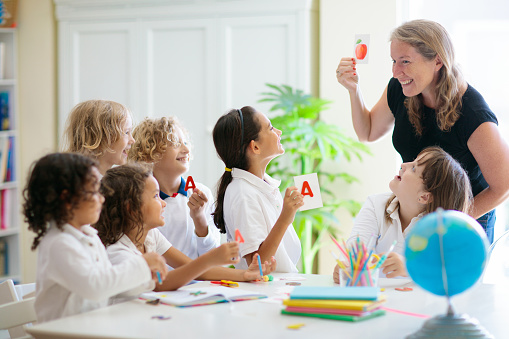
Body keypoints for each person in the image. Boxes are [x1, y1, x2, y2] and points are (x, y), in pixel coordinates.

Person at [335, 19, 509, 243]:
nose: (396, 71)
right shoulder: (399, 88)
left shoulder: (473, 114)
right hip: (420, 213)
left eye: (405, 61)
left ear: (437, 61)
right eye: (394, 61)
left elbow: (503, 186)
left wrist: (448, 221)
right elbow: (367, 132)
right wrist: (353, 90)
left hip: (466, 216)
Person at [22, 153, 168, 323]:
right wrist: (142, 264)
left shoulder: (90, 237)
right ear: (67, 199)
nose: (101, 198)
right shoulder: (59, 243)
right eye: (93, 192)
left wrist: (146, 278)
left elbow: (109, 286)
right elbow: (95, 286)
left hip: (89, 328)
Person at [95, 163, 276, 296]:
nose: (163, 203)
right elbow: (160, 284)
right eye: (155, 196)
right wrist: (210, 259)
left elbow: (193, 269)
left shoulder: (151, 236)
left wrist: (245, 274)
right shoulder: (117, 252)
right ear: (131, 208)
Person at [333, 146, 472, 283]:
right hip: (376, 299)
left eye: (413, 168)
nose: (403, 164)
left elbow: (454, 276)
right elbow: (355, 251)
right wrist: (346, 267)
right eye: (412, 161)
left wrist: (410, 268)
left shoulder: (440, 229)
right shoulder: (376, 204)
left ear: (424, 197)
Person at [213, 106, 304, 273]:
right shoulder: (242, 194)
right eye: (270, 128)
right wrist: (285, 218)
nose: (279, 131)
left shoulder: (262, 186)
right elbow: (257, 265)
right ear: (255, 147)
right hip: (266, 292)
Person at [128, 116, 220, 259]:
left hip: (199, 281)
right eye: (176, 143)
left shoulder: (202, 194)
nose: (186, 149)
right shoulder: (137, 199)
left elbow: (213, 258)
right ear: (151, 153)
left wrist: (199, 218)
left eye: (185, 142)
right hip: (157, 280)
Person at [62, 100, 135, 176]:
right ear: (101, 139)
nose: (133, 140)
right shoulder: (82, 185)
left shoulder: (110, 182)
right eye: (126, 132)